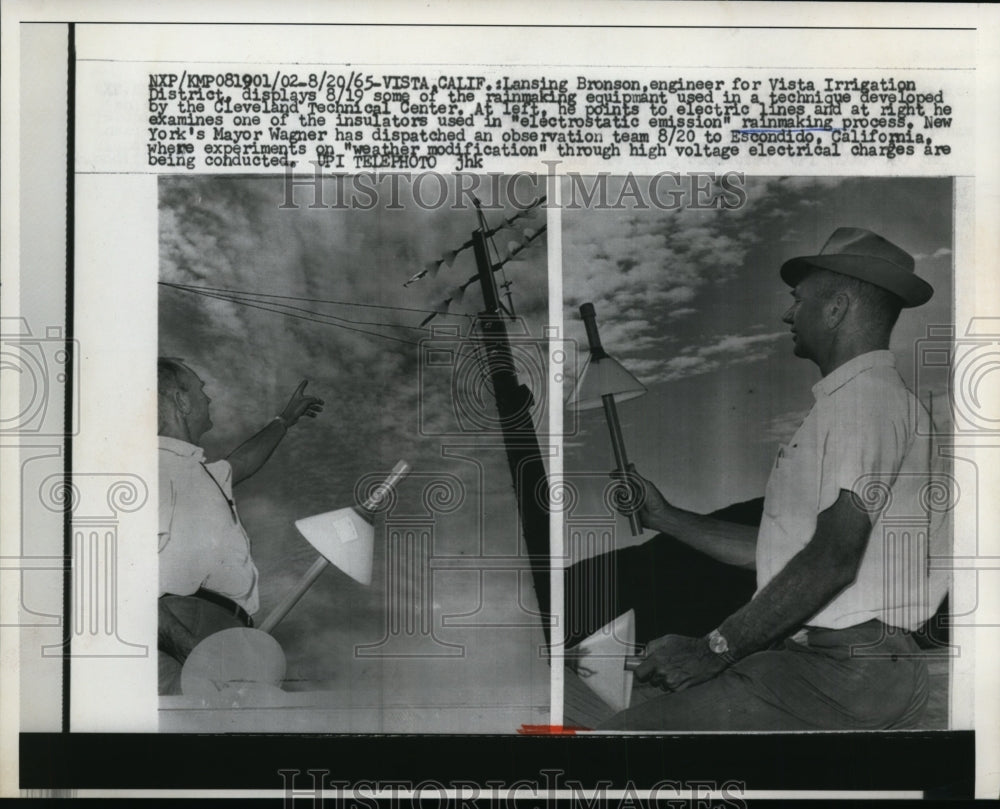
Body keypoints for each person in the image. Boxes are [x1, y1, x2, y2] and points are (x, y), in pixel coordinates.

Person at [590, 227, 950, 730]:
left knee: (608, 747)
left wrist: (714, 648)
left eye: (798, 301)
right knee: (635, 704)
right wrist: (665, 517)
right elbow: (791, 553)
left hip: (842, 673)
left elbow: (831, 560)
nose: (787, 314)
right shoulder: (859, 403)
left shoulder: (865, 401)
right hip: (840, 667)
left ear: (837, 307)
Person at [157, 358, 323, 695]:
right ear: (181, 400)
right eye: (200, 390)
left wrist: (284, 420)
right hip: (185, 629)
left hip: (225, 631)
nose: (209, 399)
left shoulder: (200, 473)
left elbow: (241, 463)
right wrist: (195, 655)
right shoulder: (152, 468)